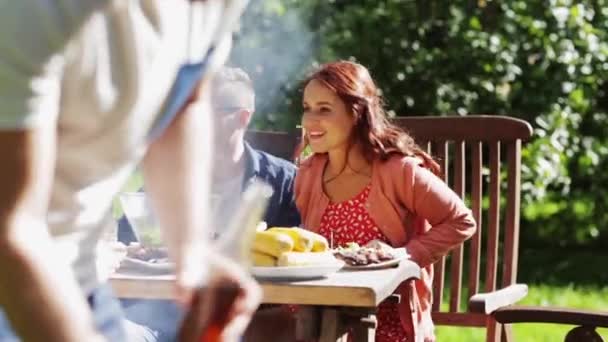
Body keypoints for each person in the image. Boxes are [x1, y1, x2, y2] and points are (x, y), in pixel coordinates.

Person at [0, 1, 260, 341]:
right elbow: (10, 229)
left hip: (79, 278)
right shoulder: (35, 12)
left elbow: (186, 99)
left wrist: (192, 254)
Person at [294, 61, 477, 341]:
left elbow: (461, 221)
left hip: (387, 325)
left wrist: (404, 253)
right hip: (322, 322)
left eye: (324, 110)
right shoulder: (308, 173)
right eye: (307, 108)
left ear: (356, 113)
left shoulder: (397, 170)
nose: (310, 121)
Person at [119, 66, 301, 341]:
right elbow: (129, 238)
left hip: (239, 321)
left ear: (242, 118)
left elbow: (296, 257)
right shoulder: (173, 176)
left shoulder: (282, 181)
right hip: (158, 316)